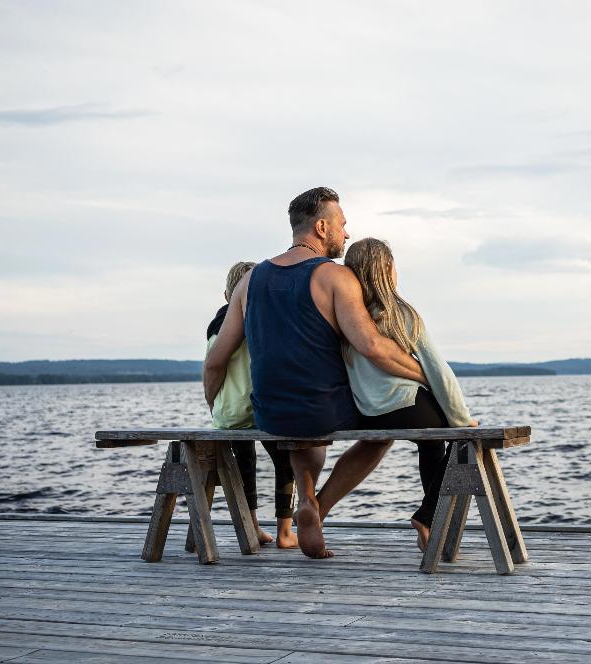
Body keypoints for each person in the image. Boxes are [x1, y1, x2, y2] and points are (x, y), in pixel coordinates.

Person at [203, 187, 427, 558]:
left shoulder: (249, 280)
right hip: (325, 409)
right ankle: (318, 507)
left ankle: (306, 498)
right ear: (322, 227)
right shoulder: (334, 278)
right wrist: (423, 373)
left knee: (300, 432)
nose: (347, 234)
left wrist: (214, 405)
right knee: (380, 432)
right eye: (342, 224)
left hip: (270, 412)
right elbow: (371, 346)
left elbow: (216, 361)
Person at [342, 238, 477, 551]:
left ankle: (431, 525)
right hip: (405, 403)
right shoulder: (401, 314)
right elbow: (439, 372)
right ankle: (427, 516)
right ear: (388, 271)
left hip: (367, 413)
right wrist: (462, 420)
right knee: (467, 442)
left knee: (431, 445)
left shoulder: (348, 321)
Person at [205, 261, 297, 549]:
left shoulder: (215, 324)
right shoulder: (263, 319)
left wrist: (214, 405)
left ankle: (252, 527)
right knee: (286, 461)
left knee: (243, 465)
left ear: (226, 294)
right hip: (262, 409)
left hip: (228, 412)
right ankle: (284, 531)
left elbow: (213, 368)